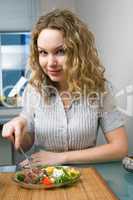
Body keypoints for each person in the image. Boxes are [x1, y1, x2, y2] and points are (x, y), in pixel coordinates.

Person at [2, 9, 128, 166]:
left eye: (60, 51)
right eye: (43, 52)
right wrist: (18, 129)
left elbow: (120, 148)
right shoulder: (34, 89)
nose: (50, 62)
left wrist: (62, 157)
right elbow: (27, 144)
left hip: (87, 177)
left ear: (78, 53)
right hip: (45, 177)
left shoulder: (99, 89)